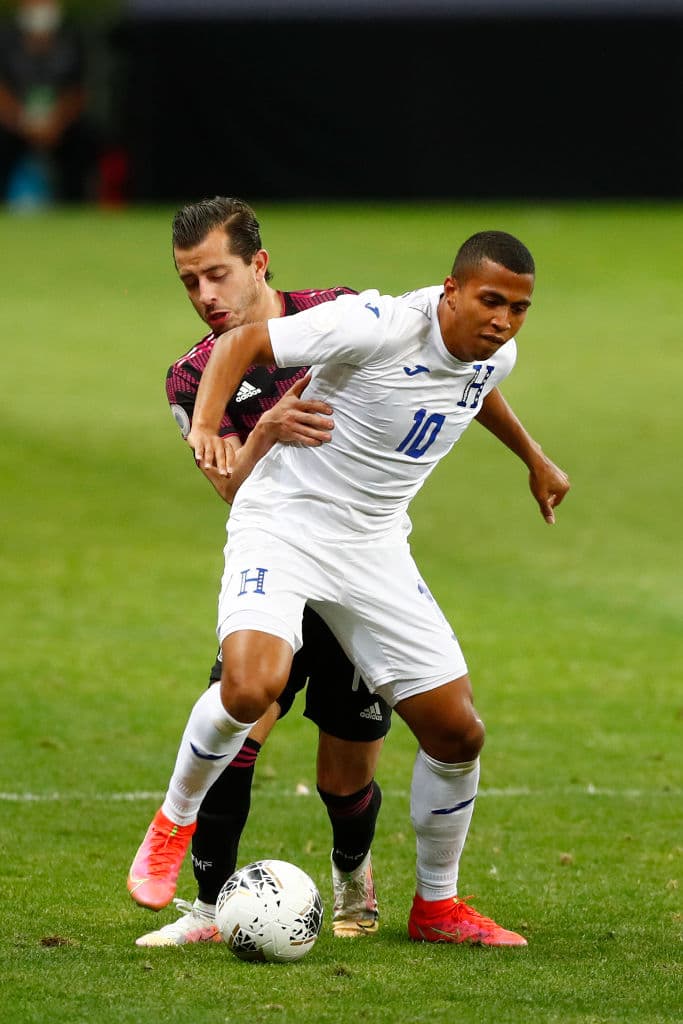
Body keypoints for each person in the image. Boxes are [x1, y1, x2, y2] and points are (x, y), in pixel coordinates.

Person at [130, 227, 570, 946]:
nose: (502, 320)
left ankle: (435, 908)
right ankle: (171, 824)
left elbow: (476, 385)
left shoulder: (496, 349)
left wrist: (534, 457)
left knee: (457, 732)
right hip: (284, 522)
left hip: (373, 547)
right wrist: (211, 425)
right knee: (249, 686)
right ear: (449, 291)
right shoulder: (374, 323)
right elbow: (244, 344)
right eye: (490, 301)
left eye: (518, 308)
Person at [130, 196, 392, 947]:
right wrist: (267, 433)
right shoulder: (191, 380)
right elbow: (229, 488)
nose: (204, 297)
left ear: (258, 264)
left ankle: (352, 883)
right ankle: (210, 912)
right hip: (272, 571)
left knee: (346, 775)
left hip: (352, 570)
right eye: (188, 283)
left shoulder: (339, 317)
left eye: (216, 275)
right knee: (236, 724)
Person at [0, 0, 97, 205]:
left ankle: (77, 207)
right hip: (15, 122)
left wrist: (56, 123)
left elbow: (79, 92)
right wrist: (21, 122)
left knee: (84, 140)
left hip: (60, 123)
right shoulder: (6, 38)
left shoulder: (72, 36)